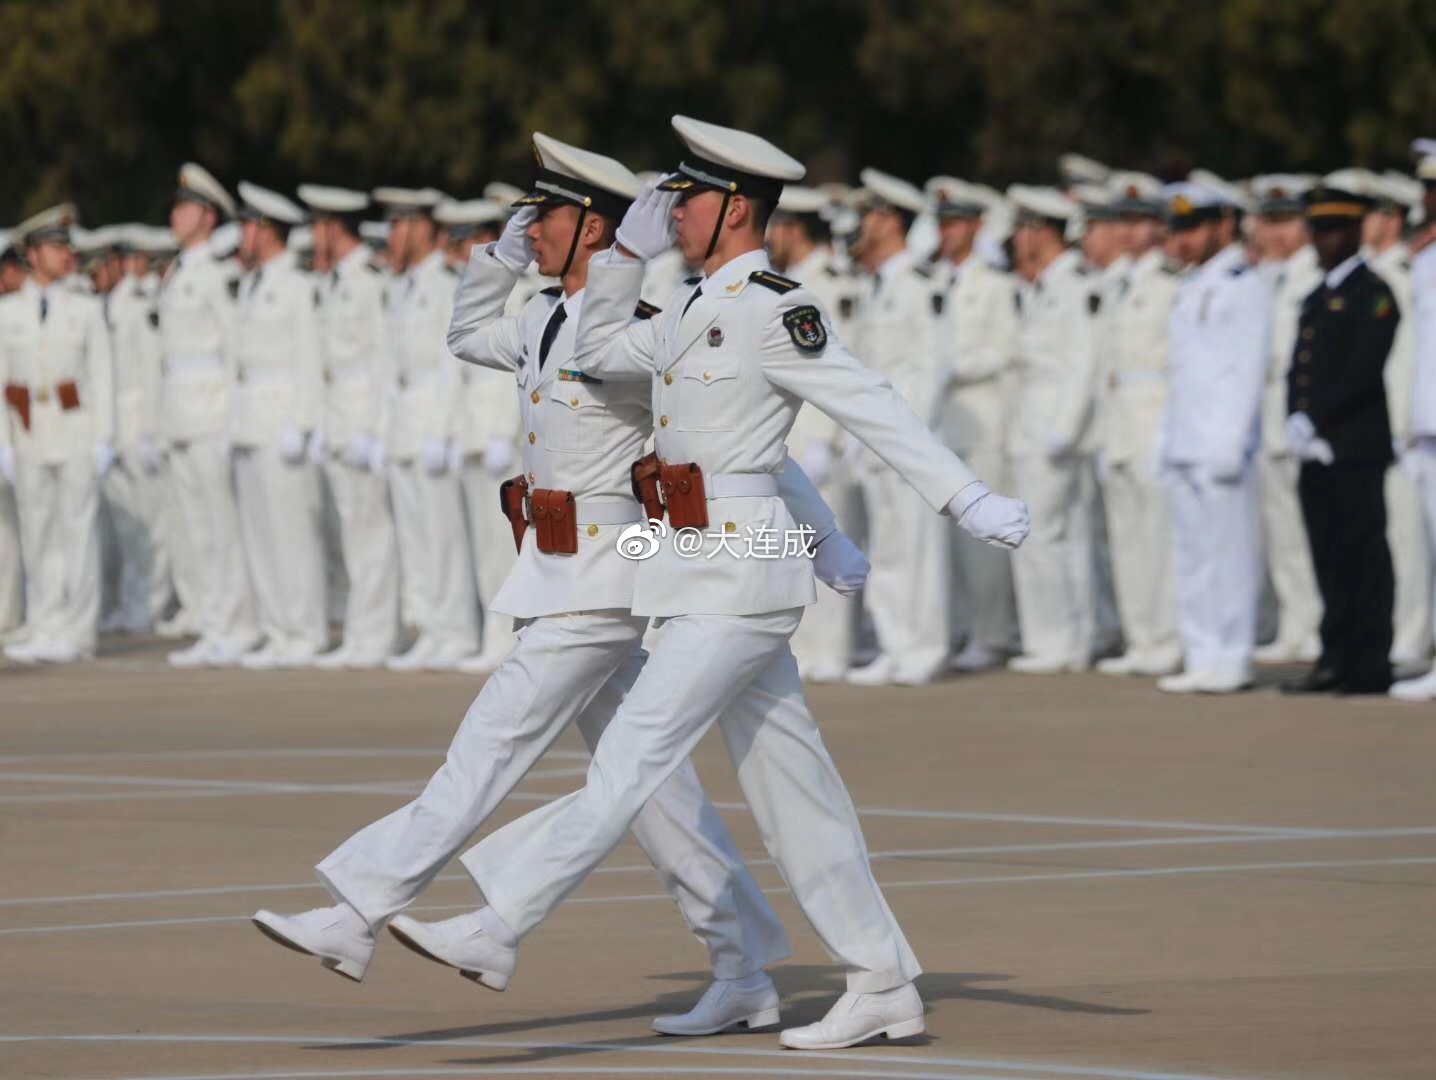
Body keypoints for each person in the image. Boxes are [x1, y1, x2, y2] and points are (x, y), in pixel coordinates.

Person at [384, 116, 1028, 1051]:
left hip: (739, 575)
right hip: (693, 569)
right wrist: (620, 266)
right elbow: (597, 353)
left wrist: (963, 498)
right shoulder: (683, 306)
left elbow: (867, 403)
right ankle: (882, 978)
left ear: (735, 209)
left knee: (630, 757)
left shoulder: (775, 307)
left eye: (684, 199)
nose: (668, 212)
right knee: (794, 792)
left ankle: (499, 922)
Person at [254, 133, 856, 1036]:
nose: (529, 229)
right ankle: (743, 966)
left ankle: (356, 912)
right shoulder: (541, 315)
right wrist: (493, 261)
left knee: (488, 748)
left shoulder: (644, 323)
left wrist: (821, 535)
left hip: (608, 580)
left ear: (597, 230)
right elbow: (463, 334)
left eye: (547, 217)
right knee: (657, 797)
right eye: (528, 215)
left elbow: (737, 442)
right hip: (559, 569)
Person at [1280, 183, 1398, 695]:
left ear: (1354, 233)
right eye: (1318, 231)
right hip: (1317, 448)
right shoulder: (1316, 296)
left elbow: (1362, 370)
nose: (1324, 241)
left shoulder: (1373, 293)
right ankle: (1335, 655)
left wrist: (1319, 418)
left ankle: (1369, 662)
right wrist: (1295, 417)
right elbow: (1299, 368)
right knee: (1327, 556)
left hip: (1354, 447)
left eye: (1334, 231)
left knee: (1363, 555)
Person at [1157, 183, 1272, 694]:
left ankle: (1232, 654)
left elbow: (1247, 368)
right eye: (1178, 229)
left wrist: (1232, 441)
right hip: (1185, 439)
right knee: (1194, 557)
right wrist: (1166, 441)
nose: (1183, 240)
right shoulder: (1193, 284)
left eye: (1194, 228)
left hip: (1220, 442)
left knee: (1229, 555)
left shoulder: (1243, 283)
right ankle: (1201, 651)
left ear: (1223, 225)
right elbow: (1183, 375)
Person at [843, 167, 953, 687]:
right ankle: (894, 642)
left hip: (907, 440)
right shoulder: (876, 285)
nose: (862, 223)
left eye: (870, 214)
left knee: (917, 547)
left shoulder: (920, 284)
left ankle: (924, 648)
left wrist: (906, 440)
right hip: (874, 437)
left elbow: (930, 368)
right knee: (885, 548)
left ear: (891, 221)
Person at [0, 205, 114, 663]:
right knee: (37, 531)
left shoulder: (84, 308)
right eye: (53, 246)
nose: (63, 254)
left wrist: (104, 438)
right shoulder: (8, 312)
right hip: (29, 428)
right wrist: (4, 443)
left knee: (77, 531)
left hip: (74, 426)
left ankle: (79, 629)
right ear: (31, 254)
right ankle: (46, 621)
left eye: (65, 246)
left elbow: (102, 375)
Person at [374, 187, 481, 671]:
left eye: (400, 224)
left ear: (420, 227)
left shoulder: (443, 283)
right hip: (403, 422)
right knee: (417, 537)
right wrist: (382, 430)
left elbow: (452, 363)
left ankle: (456, 628)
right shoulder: (403, 285)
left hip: (432, 423)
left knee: (443, 538)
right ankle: (432, 629)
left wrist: (443, 430)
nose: (393, 234)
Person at [162, 164, 261, 668]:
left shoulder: (217, 273)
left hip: (211, 413)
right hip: (180, 414)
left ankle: (238, 623)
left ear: (205, 215)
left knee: (222, 527)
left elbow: (233, 350)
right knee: (196, 528)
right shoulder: (178, 271)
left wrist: (230, 419)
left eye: (184, 208)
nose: (175, 215)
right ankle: (213, 620)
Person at [298, 184, 400, 669]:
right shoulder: (335, 279)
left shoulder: (368, 279)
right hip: (338, 418)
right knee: (352, 535)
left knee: (371, 534)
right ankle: (361, 631)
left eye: (318, 225)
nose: (314, 235)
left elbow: (382, 357)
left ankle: (377, 633)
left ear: (333, 228)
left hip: (361, 419)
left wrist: (375, 428)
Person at [767, 184, 860, 681]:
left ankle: (834, 648)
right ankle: (809, 646)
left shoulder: (824, 283)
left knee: (826, 539)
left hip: (819, 432)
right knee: (795, 546)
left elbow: (831, 368)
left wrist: (824, 438)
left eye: (775, 227)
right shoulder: (789, 282)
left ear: (793, 229)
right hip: (792, 431)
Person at [927, 176, 1020, 673]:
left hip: (981, 414)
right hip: (941, 417)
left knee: (984, 537)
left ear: (977, 226)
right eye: (942, 222)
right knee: (948, 538)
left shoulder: (995, 283)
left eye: (957, 222)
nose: (948, 232)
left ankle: (993, 631)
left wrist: (948, 363)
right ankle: (963, 626)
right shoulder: (934, 280)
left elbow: (1003, 349)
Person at [1092, 173, 1183, 677]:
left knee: (1158, 536)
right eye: (1124, 221)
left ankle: (1167, 637)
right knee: (1126, 537)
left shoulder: (1168, 282)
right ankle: (1141, 636)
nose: (1130, 231)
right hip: (1118, 420)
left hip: (1153, 415)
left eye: (1140, 221)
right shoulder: (1116, 283)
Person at [1003, 185, 1096, 673]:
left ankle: (1060, 640)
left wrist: (1065, 426)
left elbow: (1083, 361)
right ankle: (1063, 639)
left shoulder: (1072, 284)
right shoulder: (1045, 286)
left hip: (1051, 429)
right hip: (1032, 424)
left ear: (1043, 231)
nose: (1016, 237)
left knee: (1047, 536)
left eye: (1023, 227)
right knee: (1053, 536)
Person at [435, 197, 521, 675]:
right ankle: (488, 632)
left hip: (500, 435)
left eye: (471, 237)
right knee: (479, 547)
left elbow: (521, 366)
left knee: (502, 545)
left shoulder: (522, 287)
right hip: (471, 428)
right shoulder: (472, 290)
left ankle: (504, 635)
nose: (463, 248)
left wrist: (504, 432)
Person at [1359, 172, 1431, 674]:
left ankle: (1413, 634)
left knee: (1411, 540)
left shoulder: (1406, 269)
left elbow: (1410, 354)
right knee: (1390, 537)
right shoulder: (1381, 270)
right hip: (1387, 421)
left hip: (1411, 422)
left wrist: (1404, 420)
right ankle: (1397, 631)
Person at [1251, 175, 1325, 665]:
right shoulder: (1265, 276)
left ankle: (1316, 623)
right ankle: (1294, 624)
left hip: (1300, 411)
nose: (1278, 234)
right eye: (1271, 222)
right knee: (1279, 532)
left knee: (1307, 531)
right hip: (1265, 415)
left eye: (1288, 222)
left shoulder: (1314, 274)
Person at [87, 226, 167, 635]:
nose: (95, 273)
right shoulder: (102, 307)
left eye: (102, 264)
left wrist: (151, 429)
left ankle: (149, 605)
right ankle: (132, 602)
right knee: (123, 530)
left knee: (150, 525)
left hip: (138, 427)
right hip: (112, 431)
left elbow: (151, 369)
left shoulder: (137, 305)